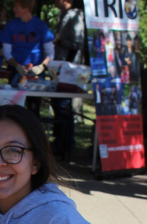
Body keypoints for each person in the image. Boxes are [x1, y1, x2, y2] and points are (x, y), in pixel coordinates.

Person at [50, 0, 85, 158]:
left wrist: (60, 42)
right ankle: (60, 142)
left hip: (69, 71)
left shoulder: (75, 16)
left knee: (64, 107)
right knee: (59, 105)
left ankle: (66, 145)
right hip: (60, 69)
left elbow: (78, 44)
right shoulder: (64, 15)